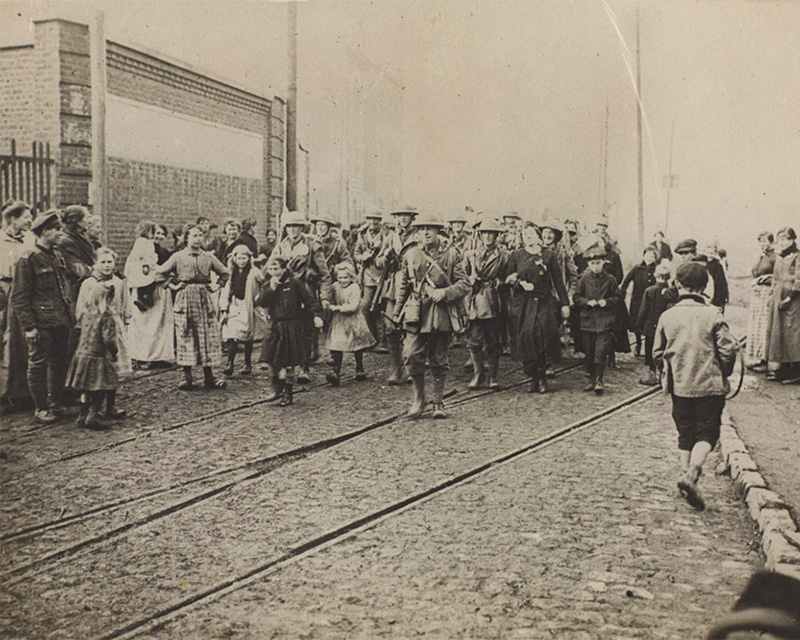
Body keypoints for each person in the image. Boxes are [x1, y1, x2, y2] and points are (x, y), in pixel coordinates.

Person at [653, 261, 738, 510]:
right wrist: (725, 371)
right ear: (704, 287)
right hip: (709, 386)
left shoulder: (667, 316)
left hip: (680, 386)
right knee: (707, 433)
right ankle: (692, 474)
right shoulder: (713, 314)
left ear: (677, 284)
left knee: (685, 432)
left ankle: (684, 475)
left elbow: (657, 352)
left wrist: (670, 370)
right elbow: (727, 349)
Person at [393, 212, 469, 418]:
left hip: (440, 312)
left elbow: (464, 284)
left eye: (429, 228)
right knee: (410, 355)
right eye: (421, 229)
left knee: (438, 358)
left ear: (438, 231)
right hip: (415, 311)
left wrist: (444, 292)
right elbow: (404, 286)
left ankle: (438, 402)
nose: (425, 232)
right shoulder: (410, 254)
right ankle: (419, 399)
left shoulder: (451, 254)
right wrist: (396, 312)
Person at [11, 211, 75, 423]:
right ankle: (41, 408)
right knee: (38, 364)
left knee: (59, 362)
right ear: (45, 231)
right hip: (41, 323)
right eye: (56, 229)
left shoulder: (56, 255)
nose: (60, 233)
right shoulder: (28, 259)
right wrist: (29, 327)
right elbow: (19, 297)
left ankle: (55, 403)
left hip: (61, 319)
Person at [156, 223, 230, 391]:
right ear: (186, 238)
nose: (198, 239)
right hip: (185, 298)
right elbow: (159, 273)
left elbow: (225, 272)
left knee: (206, 336)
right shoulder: (178, 257)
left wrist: (217, 286)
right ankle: (186, 377)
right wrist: (173, 285)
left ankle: (209, 376)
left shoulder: (208, 257)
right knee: (186, 334)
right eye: (194, 236)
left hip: (204, 298)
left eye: (200, 236)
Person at [505, 218, 570, 393]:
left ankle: (542, 377)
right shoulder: (517, 255)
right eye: (525, 235)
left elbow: (558, 281)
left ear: (538, 236)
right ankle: (532, 376)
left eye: (531, 234)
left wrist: (564, 304)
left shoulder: (548, 255)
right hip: (524, 304)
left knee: (543, 335)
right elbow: (508, 278)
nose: (528, 237)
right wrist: (519, 284)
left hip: (544, 302)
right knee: (526, 336)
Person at [271, 210, 332, 382]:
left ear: (302, 228)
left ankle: (305, 368)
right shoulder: (281, 246)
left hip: (305, 291)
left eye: (296, 226)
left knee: (306, 331)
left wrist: (325, 297)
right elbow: (271, 267)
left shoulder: (312, 246)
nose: (292, 230)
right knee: (286, 331)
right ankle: (287, 366)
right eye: (289, 226)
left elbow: (325, 274)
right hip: (285, 294)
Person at [257, 254, 324, 406]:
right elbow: (262, 301)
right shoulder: (268, 284)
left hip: (292, 326)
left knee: (289, 363)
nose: (274, 272)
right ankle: (276, 388)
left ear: (284, 268)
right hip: (275, 326)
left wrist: (316, 316)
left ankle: (288, 392)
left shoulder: (294, 284)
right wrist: (271, 288)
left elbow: (309, 300)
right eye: (271, 269)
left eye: (276, 268)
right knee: (269, 357)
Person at [76, 247, 132, 410]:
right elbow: (81, 307)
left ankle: (111, 405)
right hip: (94, 330)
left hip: (114, 327)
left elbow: (124, 305)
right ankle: (92, 408)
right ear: (95, 264)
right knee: (96, 369)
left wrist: (125, 322)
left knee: (113, 368)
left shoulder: (119, 283)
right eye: (103, 262)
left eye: (110, 262)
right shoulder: (89, 283)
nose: (107, 265)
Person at [463, 218, 510, 390]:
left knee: (493, 340)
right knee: (473, 339)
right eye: (485, 233)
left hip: (493, 301)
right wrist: (470, 279)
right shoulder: (470, 255)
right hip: (474, 300)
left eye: (492, 233)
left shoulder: (504, 256)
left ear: (497, 235)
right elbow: (460, 277)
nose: (488, 236)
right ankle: (478, 373)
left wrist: (500, 282)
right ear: (480, 235)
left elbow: (510, 276)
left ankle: (493, 376)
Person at [66, 282, 121, 430]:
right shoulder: (106, 316)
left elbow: (78, 330)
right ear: (107, 299)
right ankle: (93, 415)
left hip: (82, 354)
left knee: (85, 388)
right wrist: (115, 352)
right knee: (100, 387)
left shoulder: (85, 314)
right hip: (97, 356)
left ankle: (82, 416)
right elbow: (109, 339)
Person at [376, 209, 419, 385]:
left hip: (412, 286)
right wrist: (386, 257)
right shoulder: (390, 237)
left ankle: (412, 369)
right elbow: (378, 262)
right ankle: (395, 370)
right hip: (393, 287)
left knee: (411, 328)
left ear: (412, 217)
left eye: (406, 215)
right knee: (390, 327)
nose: (402, 218)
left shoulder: (418, 235)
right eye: (399, 215)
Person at [573, 245, 621, 394]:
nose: (595, 266)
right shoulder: (583, 279)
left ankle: (599, 379)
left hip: (604, 321)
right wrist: (587, 302)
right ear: (588, 264)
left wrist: (606, 302)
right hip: (587, 321)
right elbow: (576, 297)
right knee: (589, 351)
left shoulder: (610, 279)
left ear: (604, 263)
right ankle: (591, 378)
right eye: (592, 263)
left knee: (601, 351)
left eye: (598, 263)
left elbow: (618, 297)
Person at [0, 201, 35, 404]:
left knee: (22, 342)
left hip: (23, 293)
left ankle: (20, 391)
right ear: (12, 219)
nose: (29, 221)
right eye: (25, 217)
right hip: (3, 293)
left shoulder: (29, 240)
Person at [325, 262, 376, 386]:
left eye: (346, 278)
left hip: (353, 319)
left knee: (356, 344)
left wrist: (336, 308)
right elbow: (329, 297)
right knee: (337, 344)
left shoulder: (354, 288)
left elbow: (353, 306)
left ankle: (359, 368)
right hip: (339, 321)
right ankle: (336, 372)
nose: (343, 281)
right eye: (340, 277)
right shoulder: (335, 286)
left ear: (351, 277)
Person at [219, 244, 265, 376]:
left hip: (248, 306)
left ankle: (247, 363)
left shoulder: (255, 272)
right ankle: (230, 363)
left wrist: (259, 298)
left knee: (247, 336)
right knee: (232, 335)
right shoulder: (231, 273)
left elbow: (264, 286)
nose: (241, 261)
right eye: (239, 258)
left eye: (244, 258)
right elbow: (226, 291)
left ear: (249, 258)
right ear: (234, 259)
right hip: (235, 306)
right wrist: (224, 307)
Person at [765, 227, 800, 381]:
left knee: (792, 334)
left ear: (793, 239)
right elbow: (775, 278)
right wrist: (772, 295)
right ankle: (783, 370)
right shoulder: (780, 257)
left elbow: (799, 281)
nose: (783, 242)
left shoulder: (797, 256)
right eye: (780, 239)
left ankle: (796, 372)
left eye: (786, 239)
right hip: (778, 298)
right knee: (780, 334)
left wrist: (789, 298)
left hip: (792, 300)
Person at [636, 262, 673, 385]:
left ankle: (652, 374)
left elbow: (643, 310)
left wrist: (639, 325)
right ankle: (664, 374)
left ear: (656, 276)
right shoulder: (672, 292)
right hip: (667, 327)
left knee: (651, 350)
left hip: (650, 328)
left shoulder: (650, 291)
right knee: (665, 349)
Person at [353, 211, 386, 349]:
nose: (373, 222)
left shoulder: (387, 235)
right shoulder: (362, 235)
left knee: (383, 307)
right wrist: (363, 257)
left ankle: (384, 342)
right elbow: (356, 254)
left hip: (384, 276)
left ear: (380, 221)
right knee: (365, 307)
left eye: (376, 219)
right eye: (371, 219)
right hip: (368, 276)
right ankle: (371, 339)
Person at [745, 231, 776, 371]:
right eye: (761, 242)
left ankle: (764, 360)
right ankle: (756, 357)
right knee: (756, 325)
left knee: (764, 326)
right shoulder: (761, 257)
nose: (763, 244)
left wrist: (767, 278)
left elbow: (778, 276)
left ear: (771, 242)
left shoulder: (774, 257)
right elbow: (755, 271)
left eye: (765, 241)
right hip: (757, 294)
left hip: (767, 293)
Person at [621, 246, 658, 357]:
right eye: (647, 256)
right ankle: (638, 344)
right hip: (637, 300)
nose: (649, 258)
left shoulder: (657, 269)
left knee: (650, 324)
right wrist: (621, 295)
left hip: (652, 302)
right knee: (637, 323)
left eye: (652, 256)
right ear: (643, 256)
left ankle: (649, 349)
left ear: (655, 258)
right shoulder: (637, 268)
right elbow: (625, 282)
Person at [56, 205, 96, 308]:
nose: (90, 221)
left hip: (86, 286)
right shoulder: (66, 241)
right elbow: (78, 269)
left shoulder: (81, 236)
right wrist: (98, 271)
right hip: (75, 291)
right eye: (87, 217)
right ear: (78, 221)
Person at [125, 220, 159, 312]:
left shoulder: (139, 241)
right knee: (151, 280)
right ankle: (145, 299)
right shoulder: (147, 242)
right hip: (144, 265)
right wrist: (146, 265)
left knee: (140, 283)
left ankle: (141, 298)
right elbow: (144, 255)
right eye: (153, 232)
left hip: (136, 266)